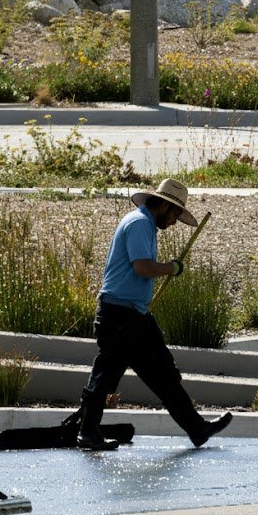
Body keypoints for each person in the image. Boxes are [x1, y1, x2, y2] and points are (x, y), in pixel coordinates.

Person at [77, 178, 233, 450]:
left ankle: (197, 429)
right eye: (174, 214)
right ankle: (87, 432)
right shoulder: (138, 224)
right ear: (162, 206)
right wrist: (172, 268)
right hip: (119, 316)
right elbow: (142, 268)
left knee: (164, 374)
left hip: (134, 316)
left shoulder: (146, 225)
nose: (174, 222)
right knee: (105, 375)